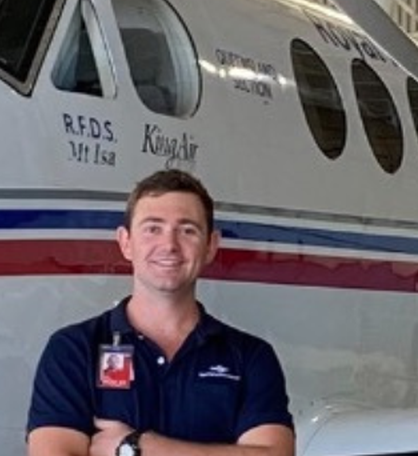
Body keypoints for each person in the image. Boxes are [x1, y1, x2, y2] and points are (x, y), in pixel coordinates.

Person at [26, 170, 295, 456]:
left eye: (187, 230)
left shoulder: (251, 357)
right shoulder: (74, 350)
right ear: (125, 242)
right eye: (153, 228)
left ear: (211, 246)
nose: (169, 245)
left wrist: (142, 447)